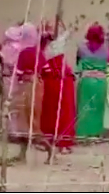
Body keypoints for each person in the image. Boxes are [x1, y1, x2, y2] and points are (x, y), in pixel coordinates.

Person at [38, 21, 76, 160]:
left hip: (53, 80)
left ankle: (51, 141)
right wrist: (62, 26)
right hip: (58, 80)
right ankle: (61, 143)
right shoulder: (53, 45)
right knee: (61, 112)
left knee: (51, 111)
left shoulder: (43, 46)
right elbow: (68, 33)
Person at [12, 23, 45, 161]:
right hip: (37, 85)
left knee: (24, 121)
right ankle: (47, 149)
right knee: (34, 119)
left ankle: (23, 153)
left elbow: (18, 72)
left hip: (25, 86)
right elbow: (45, 69)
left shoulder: (23, 53)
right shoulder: (39, 52)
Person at [75, 23, 108, 138]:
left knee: (84, 108)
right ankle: (95, 134)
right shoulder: (106, 50)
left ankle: (83, 133)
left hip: (86, 82)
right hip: (100, 83)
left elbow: (77, 63)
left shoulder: (81, 48)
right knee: (97, 109)